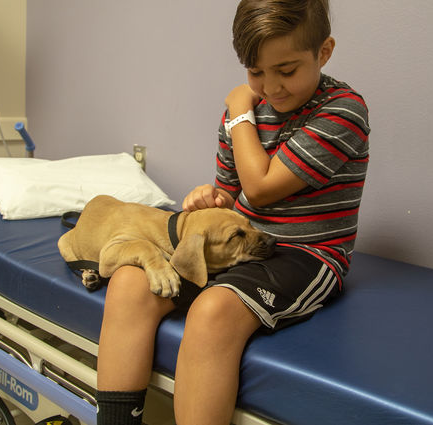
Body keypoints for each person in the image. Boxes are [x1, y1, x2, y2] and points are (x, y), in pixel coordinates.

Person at [95, 0, 370, 423]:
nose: (271, 87)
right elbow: (232, 194)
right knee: (131, 283)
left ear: (324, 52)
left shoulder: (342, 110)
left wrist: (241, 112)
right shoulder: (244, 115)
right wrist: (210, 200)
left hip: (304, 254)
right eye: (255, 73)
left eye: (287, 70)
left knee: (211, 312)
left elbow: (259, 189)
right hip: (240, 243)